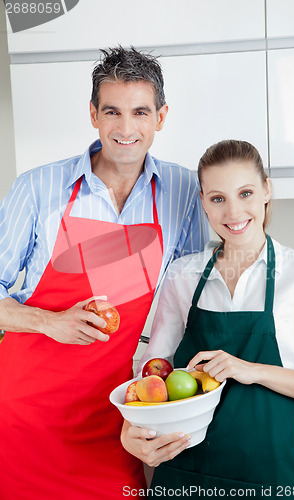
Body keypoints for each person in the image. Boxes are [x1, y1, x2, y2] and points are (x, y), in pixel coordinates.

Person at [0, 46, 209, 500]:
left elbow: (185, 305)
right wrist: (49, 322)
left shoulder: (182, 190)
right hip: (25, 418)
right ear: (93, 114)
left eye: (140, 111)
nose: (126, 128)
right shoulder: (39, 187)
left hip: (117, 417)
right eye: (112, 111)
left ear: (161, 116)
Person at [121, 139, 294, 499]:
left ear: (266, 189)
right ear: (203, 202)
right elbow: (152, 376)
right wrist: (131, 431)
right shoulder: (183, 275)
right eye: (218, 198)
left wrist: (251, 370)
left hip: (271, 479)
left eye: (246, 193)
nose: (234, 212)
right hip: (184, 475)